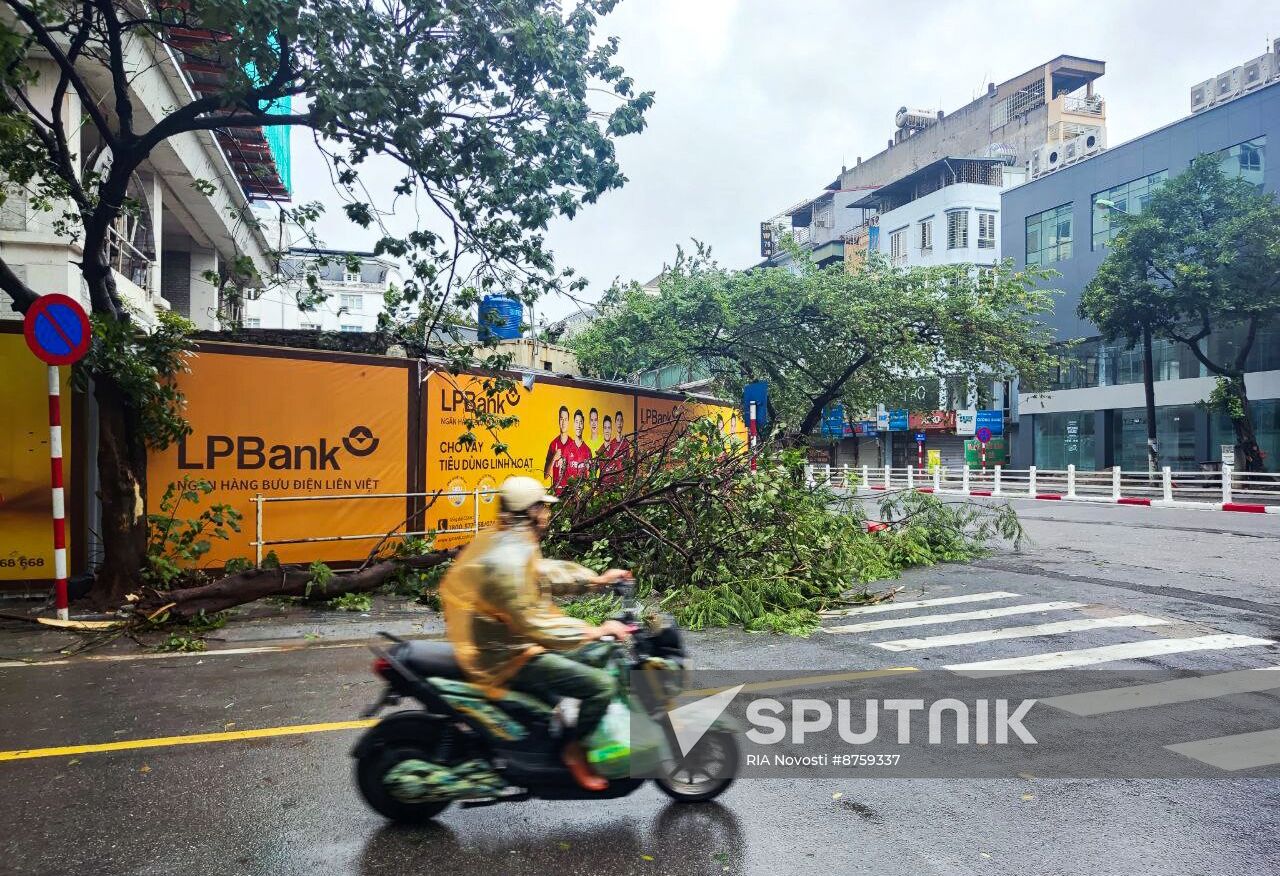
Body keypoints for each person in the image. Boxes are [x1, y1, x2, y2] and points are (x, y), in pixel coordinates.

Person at [439, 476, 632, 791]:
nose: (547, 514)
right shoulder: (508, 559)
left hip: (512, 643)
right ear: (529, 512)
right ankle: (573, 750)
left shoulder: (511, 542)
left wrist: (596, 580)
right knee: (600, 686)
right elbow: (536, 624)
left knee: (597, 656)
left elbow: (545, 573)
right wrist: (595, 630)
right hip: (510, 656)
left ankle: (560, 725)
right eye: (543, 506)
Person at [543, 405, 572, 493]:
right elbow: (546, 475)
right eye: (561, 419)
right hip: (556, 494)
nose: (563, 422)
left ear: (568, 421)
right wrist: (554, 459)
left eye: (565, 419)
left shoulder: (573, 445)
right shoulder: (553, 444)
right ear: (558, 421)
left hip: (569, 495)